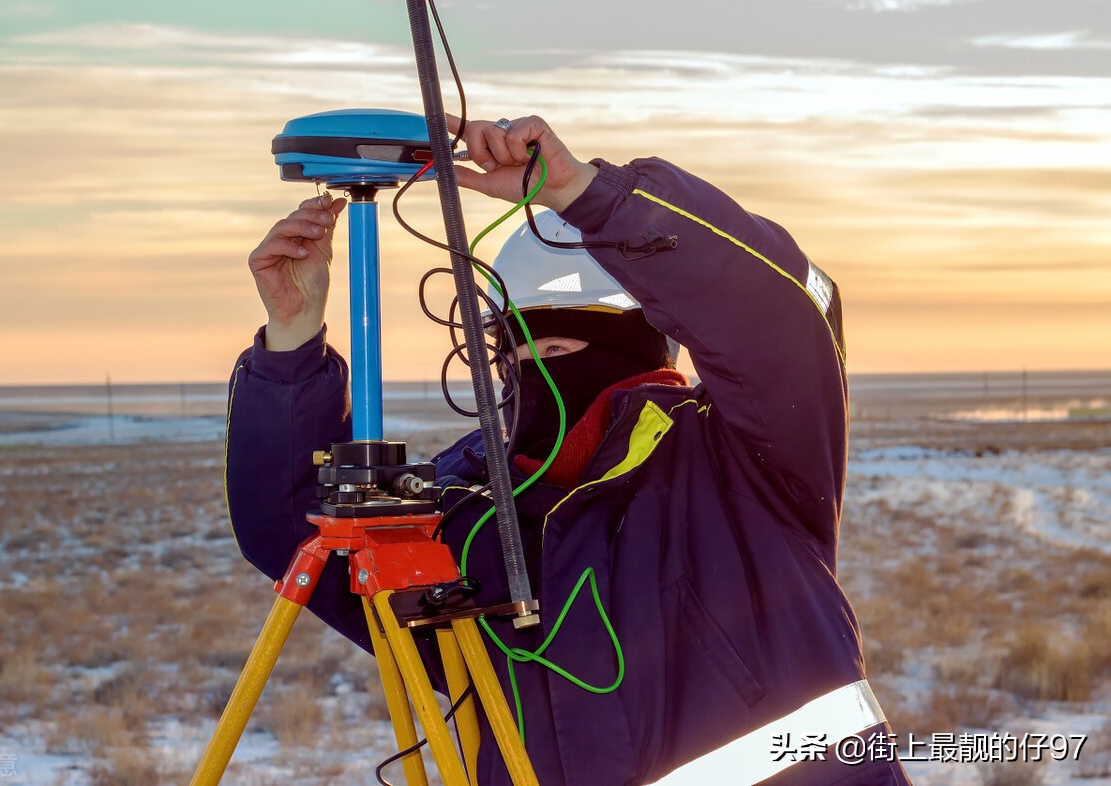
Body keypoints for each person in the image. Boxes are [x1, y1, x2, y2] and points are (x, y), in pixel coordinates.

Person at [225, 114, 913, 786]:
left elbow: (775, 314)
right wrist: (293, 335)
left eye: (557, 348)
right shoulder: (469, 509)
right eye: (515, 352)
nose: (533, 373)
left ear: (637, 347)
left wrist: (585, 195)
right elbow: (293, 526)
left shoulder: (741, 459)